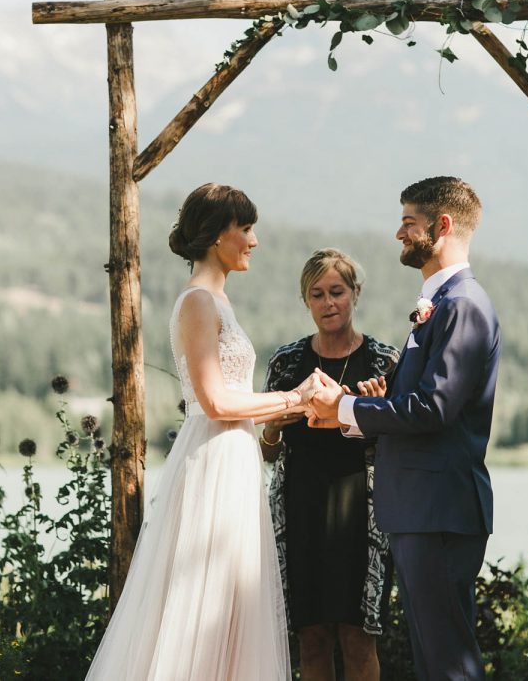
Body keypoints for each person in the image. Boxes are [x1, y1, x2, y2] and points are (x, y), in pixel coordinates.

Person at [86, 183, 320, 681]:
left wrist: (295, 409)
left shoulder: (219, 302)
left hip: (236, 458)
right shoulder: (197, 303)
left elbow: (234, 399)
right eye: (247, 228)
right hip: (212, 461)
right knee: (202, 605)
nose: (254, 240)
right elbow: (214, 401)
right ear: (218, 235)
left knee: (233, 608)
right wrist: (293, 398)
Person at [307, 177, 500, 681]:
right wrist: (355, 409)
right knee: (433, 661)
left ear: (442, 225)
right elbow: (412, 406)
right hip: (417, 508)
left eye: (409, 223)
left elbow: (434, 408)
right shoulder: (439, 304)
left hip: (438, 510)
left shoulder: (463, 305)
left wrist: (345, 409)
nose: (399, 233)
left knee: (449, 662)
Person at [261, 248, 399, 681]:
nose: (328, 303)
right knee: (311, 638)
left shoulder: (384, 362)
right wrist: (271, 429)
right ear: (306, 301)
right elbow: (267, 451)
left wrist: (379, 419)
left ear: (355, 293)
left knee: (359, 640)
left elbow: (403, 445)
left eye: (336, 292)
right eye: (317, 294)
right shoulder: (285, 364)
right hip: (299, 509)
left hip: (363, 513)